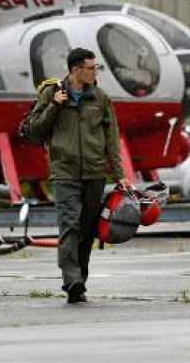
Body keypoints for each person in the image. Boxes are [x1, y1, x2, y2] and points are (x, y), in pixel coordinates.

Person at [23, 47, 128, 303]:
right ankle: (72, 281)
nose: (95, 72)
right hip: (64, 173)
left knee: (87, 229)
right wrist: (54, 107)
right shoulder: (51, 93)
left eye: (95, 68)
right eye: (91, 68)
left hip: (94, 173)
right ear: (75, 70)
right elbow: (34, 132)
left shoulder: (100, 98)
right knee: (69, 225)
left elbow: (112, 140)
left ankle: (80, 277)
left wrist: (120, 174)